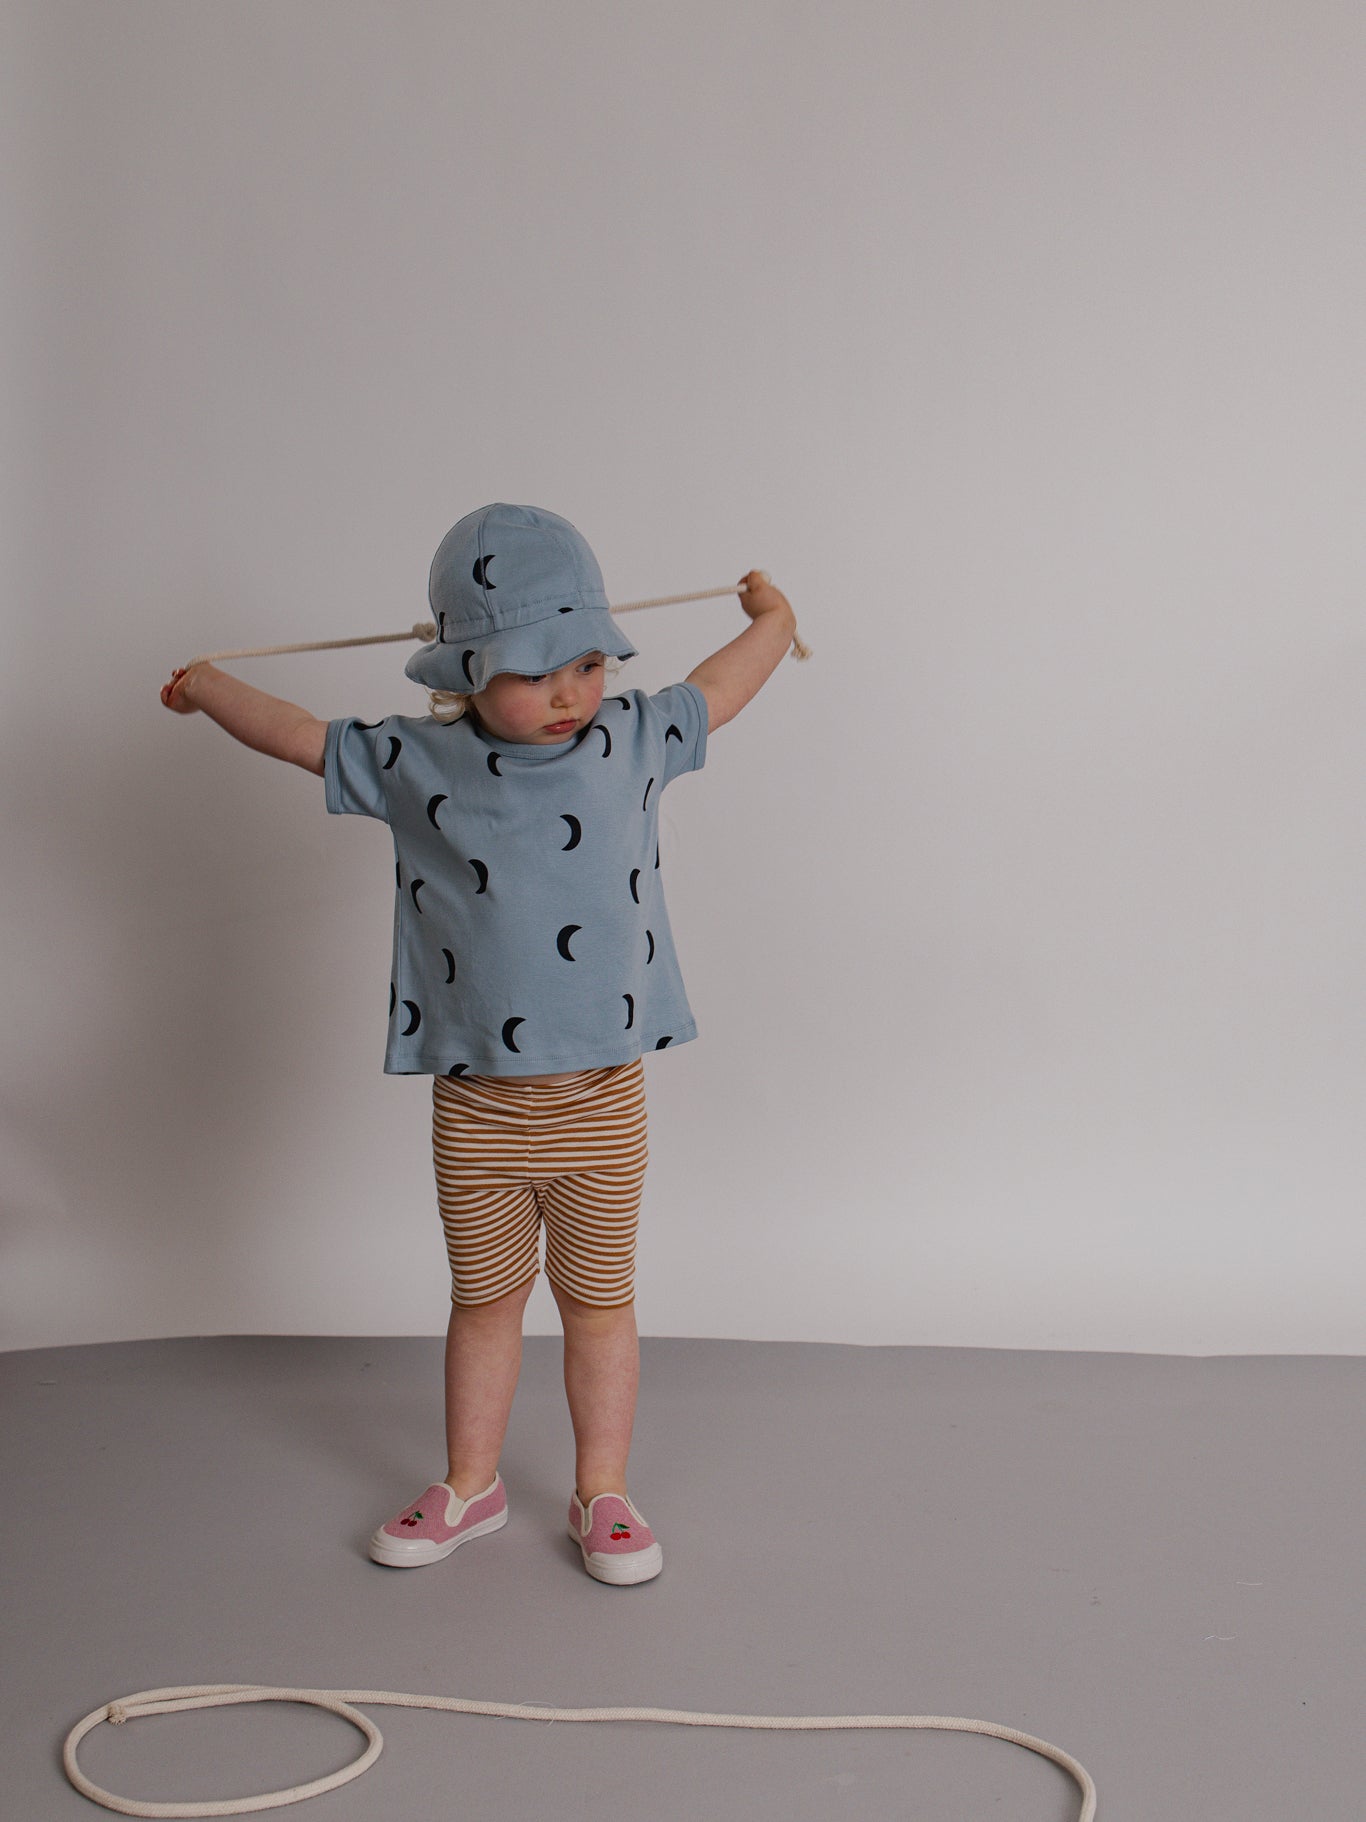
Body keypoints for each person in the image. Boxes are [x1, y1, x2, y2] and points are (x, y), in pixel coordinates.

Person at [160, 502, 796, 1586]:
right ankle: (472, 1482)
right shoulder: (418, 762)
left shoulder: (636, 735)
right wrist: (210, 687)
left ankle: (604, 1488)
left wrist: (773, 616)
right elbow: (298, 735)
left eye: (587, 662)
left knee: (599, 1301)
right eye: (533, 670)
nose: (567, 693)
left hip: (601, 1098)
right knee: (485, 1299)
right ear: (459, 667)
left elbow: (725, 685)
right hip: (478, 1104)